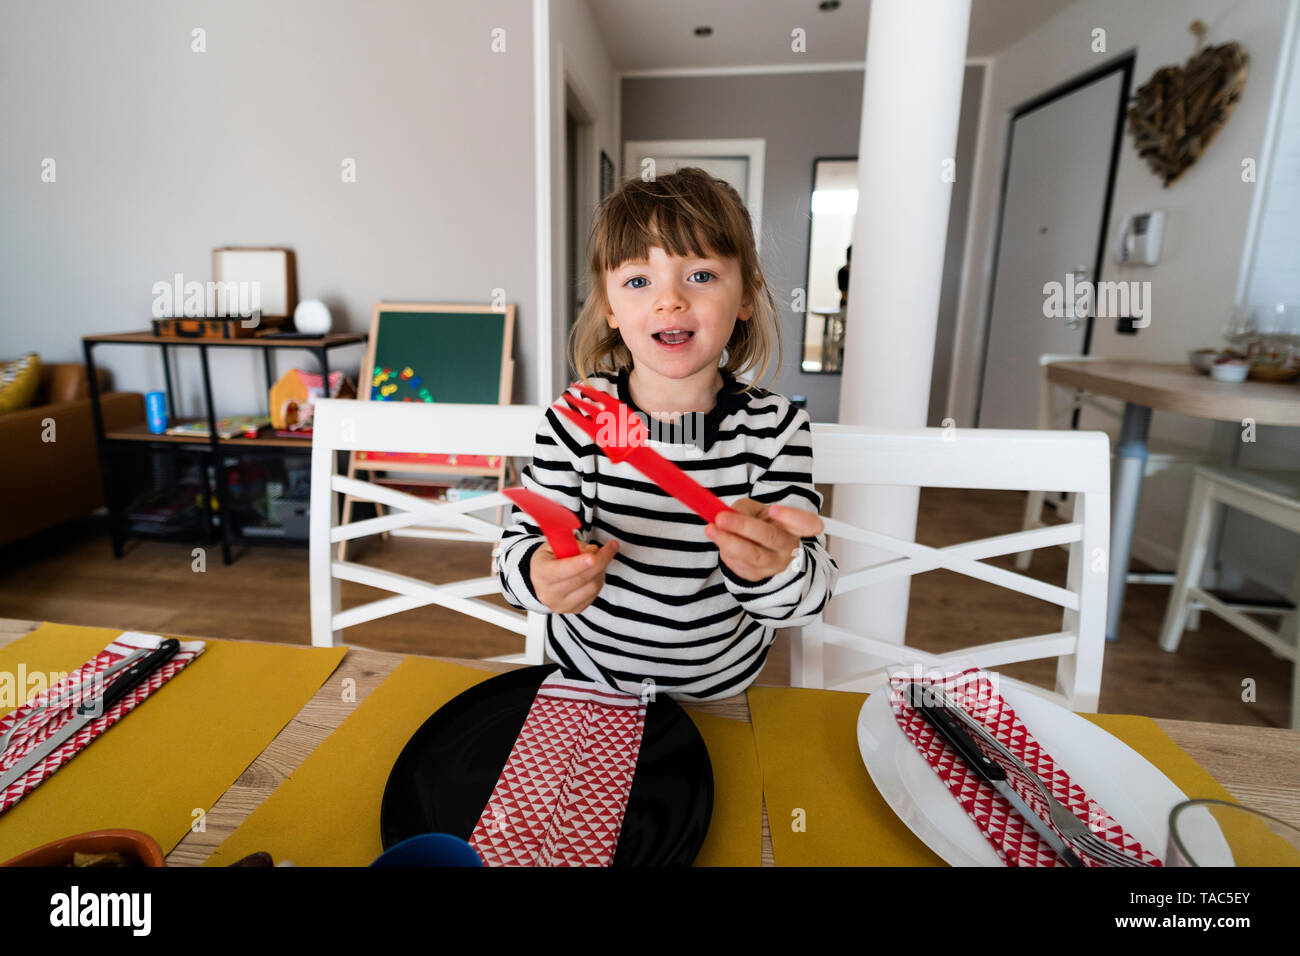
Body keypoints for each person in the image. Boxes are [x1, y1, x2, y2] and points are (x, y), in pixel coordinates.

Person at [495, 167, 839, 702]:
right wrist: (540, 577)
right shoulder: (576, 419)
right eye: (638, 281)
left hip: (723, 693)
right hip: (592, 686)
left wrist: (774, 568)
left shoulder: (775, 430)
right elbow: (516, 552)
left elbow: (809, 598)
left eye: (700, 275)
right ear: (610, 307)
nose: (669, 300)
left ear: (745, 296)